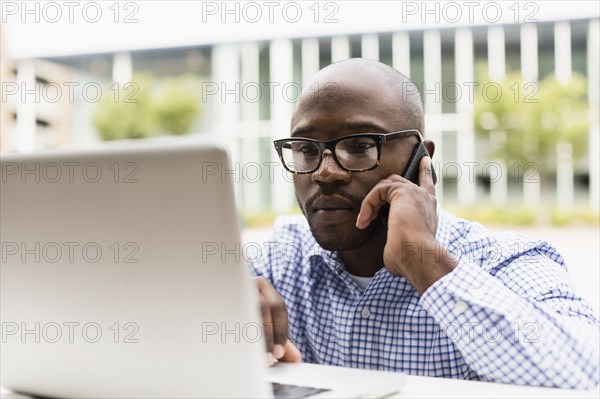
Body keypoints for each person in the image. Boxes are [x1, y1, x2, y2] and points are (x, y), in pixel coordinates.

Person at [249, 58, 599, 389]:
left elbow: (587, 375)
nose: (325, 173)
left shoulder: (505, 262)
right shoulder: (278, 262)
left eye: (359, 146)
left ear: (421, 160)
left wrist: (426, 262)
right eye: (307, 150)